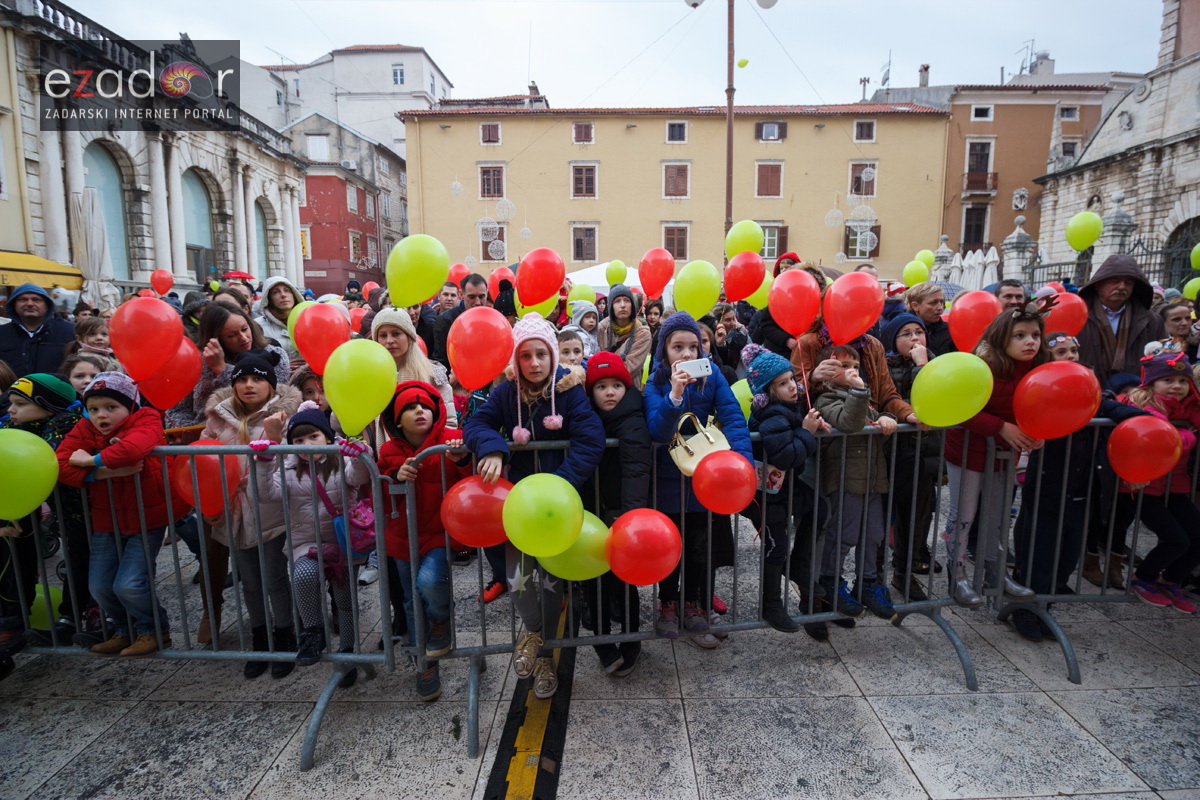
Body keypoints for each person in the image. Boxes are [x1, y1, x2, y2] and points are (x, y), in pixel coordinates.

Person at [464, 313, 605, 699]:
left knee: (552, 583)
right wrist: (491, 447)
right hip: (520, 512)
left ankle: (546, 655)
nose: (534, 363)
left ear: (553, 355)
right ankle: (534, 634)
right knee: (517, 579)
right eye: (525, 356)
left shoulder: (570, 390)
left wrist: (557, 488)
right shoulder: (506, 393)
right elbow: (476, 425)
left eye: (541, 354)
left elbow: (591, 439)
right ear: (516, 359)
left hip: (556, 511)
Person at [1008, 334, 1146, 641]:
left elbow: (1127, 414)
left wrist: (1146, 425)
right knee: (1038, 556)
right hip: (1046, 491)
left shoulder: (1095, 396)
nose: (1069, 356)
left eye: (1073, 351)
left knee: (1067, 558)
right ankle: (1025, 610)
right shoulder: (1041, 393)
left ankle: (1047, 608)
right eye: (1060, 352)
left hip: (1082, 493)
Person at [644, 312, 753, 644]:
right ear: (664, 351)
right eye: (678, 347)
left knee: (698, 545)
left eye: (693, 346)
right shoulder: (656, 381)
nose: (687, 354)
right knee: (670, 545)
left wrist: (742, 465)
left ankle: (693, 604)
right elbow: (657, 430)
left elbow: (733, 416)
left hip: (704, 480)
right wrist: (674, 395)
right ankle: (668, 602)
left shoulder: (714, 376)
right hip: (667, 478)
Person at [56, 373, 178, 657]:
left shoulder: (146, 417)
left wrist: (91, 459)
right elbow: (61, 463)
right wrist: (102, 472)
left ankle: (153, 629)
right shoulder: (85, 427)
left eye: (111, 407)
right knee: (98, 585)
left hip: (146, 516)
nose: (101, 415)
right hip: (106, 516)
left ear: (129, 405)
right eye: (94, 408)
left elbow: (134, 448)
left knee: (130, 583)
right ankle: (124, 630)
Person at [201, 351, 302, 677]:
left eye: (257, 378)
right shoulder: (217, 418)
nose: (248, 385)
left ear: (271, 385)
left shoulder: (284, 417)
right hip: (234, 515)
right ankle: (261, 638)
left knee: (275, 578)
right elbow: (201, 466)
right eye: (242, 379)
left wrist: (274, 439)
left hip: (271, 514)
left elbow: (293, 462)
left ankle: (285, 635)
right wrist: (211, 505)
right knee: (249, 582)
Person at [254, 401, 372, 677]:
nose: (307, 443)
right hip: (306, 543)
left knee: (344, 601)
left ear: (327, 437)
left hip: (343, 544)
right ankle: (312, 632)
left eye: (313, 436)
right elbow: (265, 494)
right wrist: (264, 461)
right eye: (299, 439)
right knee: (304, 577)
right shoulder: (288, 466)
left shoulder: (340, 460)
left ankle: (347, 653)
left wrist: (359, 454)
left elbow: (361, 475)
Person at [943, 302, 1048, 607]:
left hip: (1005, 455)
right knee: (963, 515)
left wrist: (1037, 431)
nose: (1030, 342)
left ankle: (994, 571)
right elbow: (957, 406)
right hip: (967, 451)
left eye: (1035, 335)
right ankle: (957, 573)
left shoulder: (1038, 368)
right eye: (1020, 335)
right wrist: (1000, 427)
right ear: (1002, 337)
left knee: (999, 515)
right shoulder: (981, 366)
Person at [378, 381, 472, 701]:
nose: (419, 410)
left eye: (424, 406)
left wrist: (461, 460)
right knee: (409, 600)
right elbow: (376, 492)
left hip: (437, 532)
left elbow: (470, 483)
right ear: (396, 420)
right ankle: (424, 663)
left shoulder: (450, 440)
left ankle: (441, 619)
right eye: (408, 407)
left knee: (430, 581)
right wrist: (393, 477)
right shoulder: (388, 451)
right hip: (402, 537)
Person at [0, 375, 88, 653]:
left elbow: (49, 455)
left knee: (86, 562)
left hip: (85, 510)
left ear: (48, 406)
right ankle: (63, 619)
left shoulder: (66, 424)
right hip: (46, 512)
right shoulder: (13, 427)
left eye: (19, 404)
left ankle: (92, 618)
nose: (10, 410)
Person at [742, 344, 825, 635]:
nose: (793, 386)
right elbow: (786, 455)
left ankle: (798, 566)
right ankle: (771, 604)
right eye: (783, 383)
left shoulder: (786, 408)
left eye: (792, 379)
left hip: (782, 489)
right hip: (765, 496)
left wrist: (806, 427)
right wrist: (806, 432)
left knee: (819, 507)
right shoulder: (773, 414)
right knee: (775, 548)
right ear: (768, 390)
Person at [812, 344, 899, 620]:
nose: (851, 371)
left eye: (855, 366)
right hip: (845, 480)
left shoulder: (865, 399)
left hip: (873, 480)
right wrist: (860, 391)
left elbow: (873, 419)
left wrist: (888, 417)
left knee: (874, 534)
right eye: (844, 366)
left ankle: (868, 582)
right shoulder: (826, 400)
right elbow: (849, 421)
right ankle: (831, 580)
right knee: (844, 534)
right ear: (827, 373)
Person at [1113, 351, 1200, 612]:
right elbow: (1166, 440)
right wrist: (1188, 434)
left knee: (1197, 536)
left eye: (1182, 381)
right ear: (1151, 384)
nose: (1176, 387)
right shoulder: (1144, 404)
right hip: (1142, 486)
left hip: (1174, 484)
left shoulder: (1189, 405)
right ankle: (1144, 579)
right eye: (1168, 380)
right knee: (1177, 539)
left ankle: (1171, 580)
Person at [580, 352, 650, 675]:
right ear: (590, 392)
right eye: (602, 386)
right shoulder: (583, 416)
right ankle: (602, 641)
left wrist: (631, 518)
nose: (610, 392)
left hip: (621, 513)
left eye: (617, 386)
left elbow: (636, 470)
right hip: (590, 514)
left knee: (624, 581)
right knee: (594, 581)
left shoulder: (633, 417)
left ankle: (632, 639)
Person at [881, 312, 941, 602]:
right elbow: (915, 399)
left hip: (925, 454)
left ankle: (905, 573)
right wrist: (921, 367)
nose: (916, 337)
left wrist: (923, 364)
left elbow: (939, 400)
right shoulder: (886, 366)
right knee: (882, 517)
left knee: (918, 518)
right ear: (893, 339)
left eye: (919, 331)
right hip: (893, 454)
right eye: (906, 333)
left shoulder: (936, 364)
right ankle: (873, 578)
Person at [188, 304, 291, 427]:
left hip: (260, 431)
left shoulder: (274, 354)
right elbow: (182, 408)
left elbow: (270, 403)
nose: (243, 338)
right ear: (215, 339)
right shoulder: (200, 361)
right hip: (208, 434)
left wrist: (223, 370)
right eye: (231, 335)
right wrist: (183, 432)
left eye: (244, 329)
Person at [1076, 254, 1166, 382]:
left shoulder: (1152, 321)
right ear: (1097, 284)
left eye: (1128, 282)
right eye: (1114, 281)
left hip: (1135, 395)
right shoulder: (1078, 316)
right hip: (1085, 389)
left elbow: (1163, 360)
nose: (1122, 287)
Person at [371, 308, 457, 432]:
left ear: (409, 336)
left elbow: (448, 423)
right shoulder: (369, 375)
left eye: (396, 333)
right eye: (383, 335)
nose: (389, 341)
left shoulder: (432, 374)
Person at [0, 283, 75, 378]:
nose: (30, 304)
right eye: (23, 300)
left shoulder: (69, 332)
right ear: (13, 305)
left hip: (56, 392)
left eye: (36, 300)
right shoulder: (2, 333)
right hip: (10, 391)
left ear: (47, 305)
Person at [749, 253, 808, 357]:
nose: (785, 270)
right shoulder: (776, 295)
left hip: (802, 350)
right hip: (777, 352)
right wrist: (786, 340)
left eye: (788, 267)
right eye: (782, 268)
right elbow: (766, 325)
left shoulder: (806, 293)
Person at [595, 284, 652, 390]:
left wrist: (604, 366)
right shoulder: (600, 330)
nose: (622, 305)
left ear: (632, 305)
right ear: (611, 306)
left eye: (626, 300)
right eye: (617, 301)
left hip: (629, 392)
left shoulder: (643, 334)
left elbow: (629, 368)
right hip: (602, 392)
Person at [432, 274, 489, 369]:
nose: (478, 302)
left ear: (487, 293)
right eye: (472, 297)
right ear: (461, 295)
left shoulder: (494, 321)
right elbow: (440, 360)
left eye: (482, 296)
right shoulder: (446, 320)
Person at [253, 276, 305, 361]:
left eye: (286, 290)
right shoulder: (257, 326)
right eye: (276, 292)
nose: (283, 295)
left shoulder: (307, 322)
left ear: (294, 294)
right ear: (269, 298)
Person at [903, 282, 954, 356]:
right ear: (915, 306)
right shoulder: (900, 330)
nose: (940, 308)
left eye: (942, 302)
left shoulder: (949, 330)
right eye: (933, 303)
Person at [711, 302, 748, 374]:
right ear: (717, 322)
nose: (732, 323)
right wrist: (720, 345)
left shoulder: (738, 332)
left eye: (733, 319)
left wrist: (743, 333)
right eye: (728, 320)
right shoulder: (711, 338)